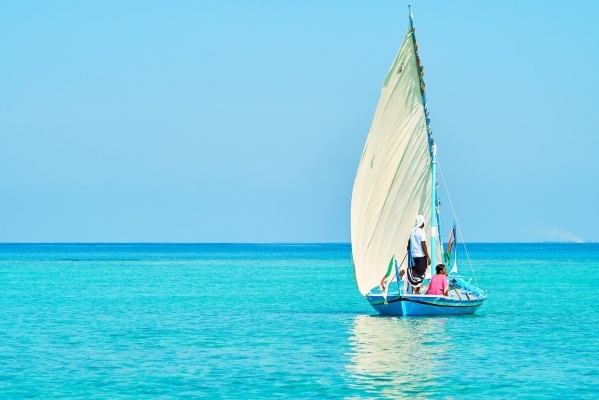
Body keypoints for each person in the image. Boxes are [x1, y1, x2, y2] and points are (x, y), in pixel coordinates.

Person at [406, 214, 430, 294]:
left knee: (418, 271)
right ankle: (416, 290)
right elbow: (423, 244)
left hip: (414, 255)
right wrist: (428, 257)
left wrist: (408, 247)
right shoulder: (421, 232)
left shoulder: (412, 230)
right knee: (421, 272)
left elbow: (409, 241)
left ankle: (417, 289)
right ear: (422, 223)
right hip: (421, 255)